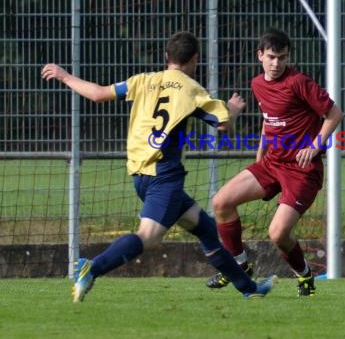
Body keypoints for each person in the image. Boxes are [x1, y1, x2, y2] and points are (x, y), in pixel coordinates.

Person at [41, 31, 274, 303]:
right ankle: (92, 267)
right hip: (165, 176)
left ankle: (249, 288)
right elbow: (222, 124)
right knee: (149, 237)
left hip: (141, 175)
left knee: (207, 229)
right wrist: (233, 108)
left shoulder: (144, 80)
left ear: (167, 57)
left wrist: (64, 75)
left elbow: (97, 94)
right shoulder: (190, 89)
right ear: (195, 60)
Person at [205, 28, 343, 296]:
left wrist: (315, 146)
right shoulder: (257, 84)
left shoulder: (299, 82)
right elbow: (269, 121)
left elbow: (335, 113)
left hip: (302, 170)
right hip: (272, 163)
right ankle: (240, 267)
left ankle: (304, 276)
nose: (276, 63)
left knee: (278, 233)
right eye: (271, 57)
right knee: (221, 202)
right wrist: (260, 156)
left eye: (282, 57)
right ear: (260, 56)